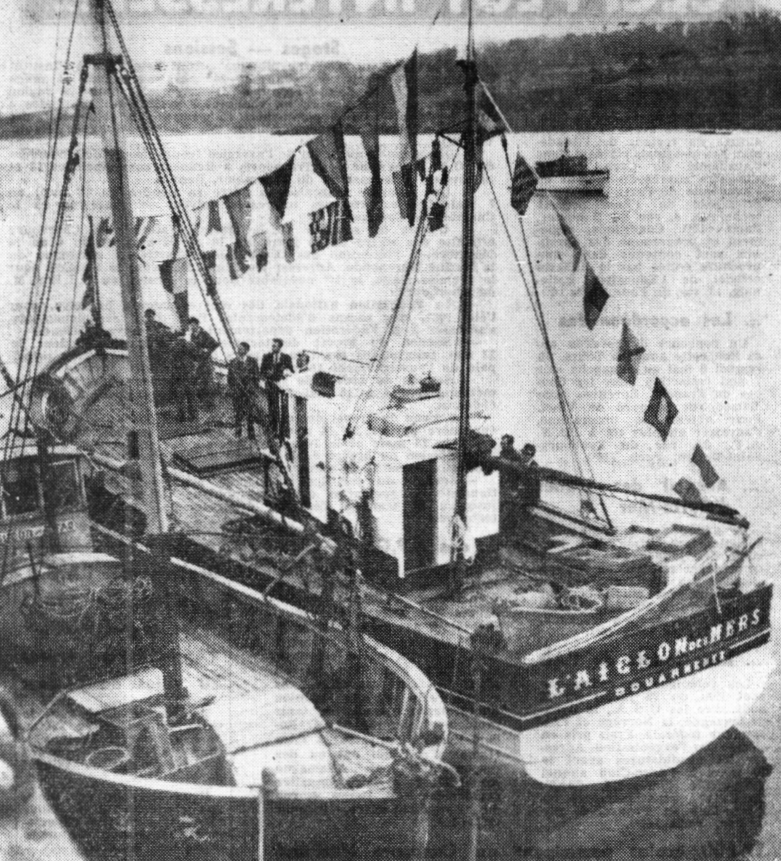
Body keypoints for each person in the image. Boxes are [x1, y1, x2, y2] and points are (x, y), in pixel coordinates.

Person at [260, 337, 294, 439]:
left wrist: (285, 373)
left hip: (282, 387)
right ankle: (274, 431)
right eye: (272, 346)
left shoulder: (286, 358)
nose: (272, 347)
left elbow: (291, 371)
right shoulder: (266, 357)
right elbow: (261, 371)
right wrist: (266, 374)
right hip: (271, 386)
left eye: (274, 346)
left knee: (283, 409)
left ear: (280, 347)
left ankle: (283, 432)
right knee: (272, 409)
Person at [227, 342, 260, 440]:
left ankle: (251, 434)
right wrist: (233, 388)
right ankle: (238, 433)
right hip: (237, 391)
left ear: (246, 350)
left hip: (249, 391)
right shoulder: (233, 362)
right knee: (238, 412)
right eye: (238, 348)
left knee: (250, 413)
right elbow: (229, 378)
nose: (238, 350)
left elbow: (257, 377)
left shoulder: (253, 361)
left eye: (241, 348)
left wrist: (253, 388)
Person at [184, 317, 218, 402]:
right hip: (198, 360)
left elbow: (215, 344)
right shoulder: (192, 335)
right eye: (190, 325)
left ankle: (210, 401)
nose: (191, 327)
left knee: (207, 379)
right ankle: (201, 400)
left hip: (206, 361)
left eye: (192, 325)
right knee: (198, 379)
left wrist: (207, 350)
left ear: (197, 324)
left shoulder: (204, 333)